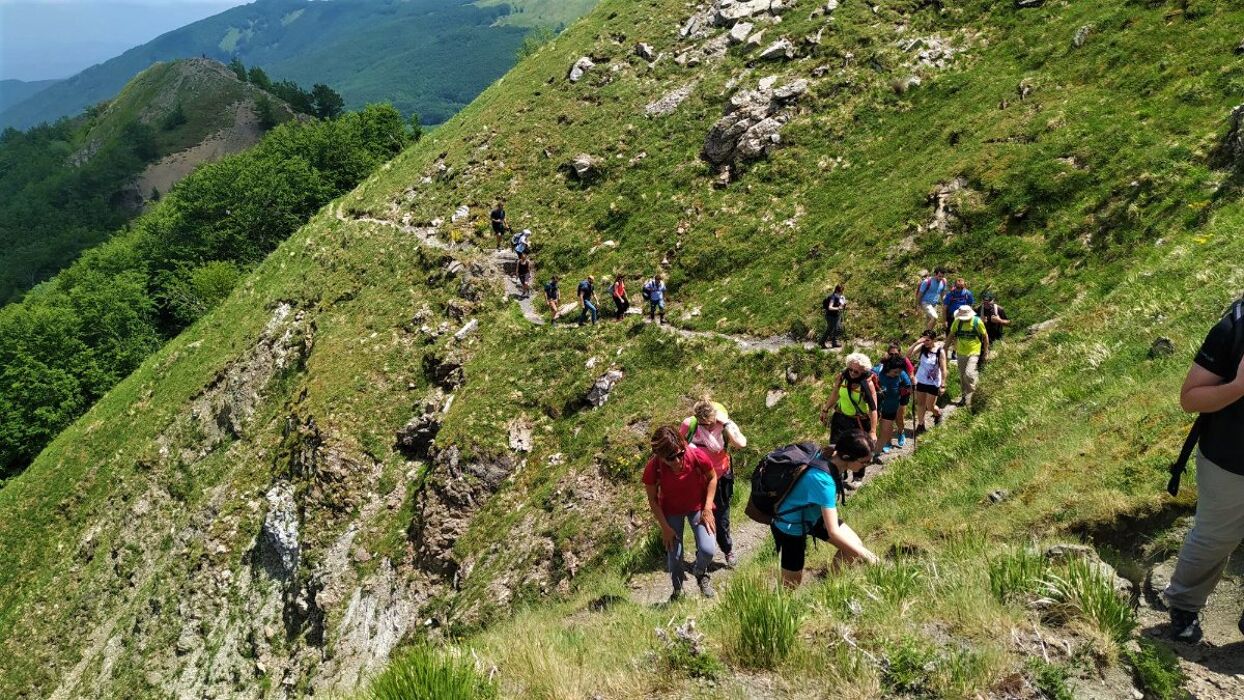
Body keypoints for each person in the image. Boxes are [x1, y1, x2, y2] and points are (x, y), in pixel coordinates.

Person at [1163, 299, 1244, 643]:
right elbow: (1191, 398)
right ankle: (1184, 605)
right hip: (1230, 460)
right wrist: (1239, 386)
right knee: (1215, 538)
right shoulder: (1233, 330)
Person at [770, 430, 880, 589]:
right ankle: (777, 610)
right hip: (791, 525)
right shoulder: (824, 481)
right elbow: (833, 532)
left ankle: (831, 588)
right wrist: (870, 557)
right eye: (864, 462)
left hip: (813, 514)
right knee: (791, 585)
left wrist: (861, 552)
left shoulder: (834, 454)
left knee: (853, 546)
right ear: (848, 458)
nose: (867, 465)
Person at [643, 425, 719, 601]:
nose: (677, 461)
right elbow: (652, 499)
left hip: (697, 507)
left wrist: (707, 508)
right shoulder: (654, 467)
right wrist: (665, 527)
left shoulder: (695, 455)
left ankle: (700, 573)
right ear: (660, 456)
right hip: (671, 512)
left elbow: (712, 477)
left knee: (708, 549)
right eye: (670, 458)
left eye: (680, 454)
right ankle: (678, 592)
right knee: (675, 556)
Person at [680, 400, 748, 568]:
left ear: (715, 417)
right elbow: (680, 446)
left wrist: (727, 423)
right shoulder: (690, 425)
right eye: (704, 424)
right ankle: (701, 555)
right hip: (699, 480)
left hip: (721, 476)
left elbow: (741, 444)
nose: (709, 427)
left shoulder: (723, 424)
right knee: (700, 518)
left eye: (711, 423)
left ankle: (727, 550)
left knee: (722, 518)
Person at [820, 353, 879, 486]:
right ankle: (838, 475)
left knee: (859, 449)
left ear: (863, 371)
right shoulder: (842, 377)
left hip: (859, 421)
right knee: (836, 447)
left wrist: (873, 431)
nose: (852, 373)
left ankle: (858, 476)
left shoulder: (867, 384)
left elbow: (873, 409)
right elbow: (835, 393)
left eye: (856, 371)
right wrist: (825, 409)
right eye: (850, 369)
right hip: (840, 417)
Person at [908, 330, 948, 435]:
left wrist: (943, 384)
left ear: (933, 340)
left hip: (934, 382)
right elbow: (908, 356)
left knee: (930, 406)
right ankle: (921, 425)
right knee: (920, 404)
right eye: (924, 339)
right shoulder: (922, 348)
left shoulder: (940, 351)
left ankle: (937, 414)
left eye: (928, 340)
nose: (925, 342)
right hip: (921, 380)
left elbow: (943, 369)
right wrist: (917, 342)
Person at [949, 305, 989, 407]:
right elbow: (951, 335)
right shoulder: (957, 322)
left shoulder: (977, 322)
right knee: (963, 377)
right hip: (961, 353)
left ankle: (974, 396)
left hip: (974, 352)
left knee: (968, 373)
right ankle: (964, 397)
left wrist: (986, 352)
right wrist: (944, 349)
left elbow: (985, 336)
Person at [872, 356, 913, 455]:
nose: (897, 374)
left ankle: (876, 453)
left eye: (899, 372)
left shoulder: (901, 374)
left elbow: (909, 388)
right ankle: (866, 452)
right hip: (874, 407)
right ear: (888, 368)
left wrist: (903, 391)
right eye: (895, 372)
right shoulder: (876, 372)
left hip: (891, 406)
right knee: (871, 431)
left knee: (885, 431)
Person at [882, 342, 916, 447]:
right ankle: (888, 441)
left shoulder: (905, 361)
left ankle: (901, 432)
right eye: (891, 354)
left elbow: (911, 374)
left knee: (899, 416)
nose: (893, 356)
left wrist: (912, 384)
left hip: (903, 393)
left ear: (900, 353)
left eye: (895, 354)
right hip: (890, 393)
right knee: (887, 418)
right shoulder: (885, 362)